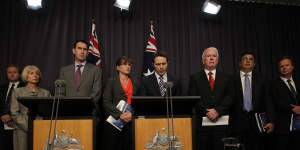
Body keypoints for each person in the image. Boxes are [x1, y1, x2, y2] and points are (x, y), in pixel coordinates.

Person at [188, 47, 232, 150]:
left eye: (214, 56)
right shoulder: (195, 77)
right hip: (203, 124)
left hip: (222, 125)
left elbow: (230, 97)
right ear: (203, 60)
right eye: (208, 56)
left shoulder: (227, 77)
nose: (211, 58)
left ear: (217, 60)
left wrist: (217, 110)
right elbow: (193, 98)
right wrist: (207, 111)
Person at [229, 52, 275, 150]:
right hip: (237, 122)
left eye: (251, 59)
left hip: (257, 122)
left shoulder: (262, 80)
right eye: (245, 59)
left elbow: (268, 101)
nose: (248, 61)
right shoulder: (231, 80)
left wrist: (271, 121)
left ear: (254, 64)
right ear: (240, 63)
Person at [102, 56, 141, 150]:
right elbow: (106, 101)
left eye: (129, 64)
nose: (128, 67)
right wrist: (120, 114)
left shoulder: (136, 82)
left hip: (130, 122)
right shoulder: (111, 81)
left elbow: (139, 102)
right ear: (118, 67)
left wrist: (132, 114)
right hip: (114, 121)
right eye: (124, 64)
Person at [10, 65, 51, 150]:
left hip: (41, 129)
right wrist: (29, 126)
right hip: (22, 130)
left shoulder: (46, 93)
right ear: (26, 76)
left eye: (37, 74)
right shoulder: (17, 91)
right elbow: (14, 113)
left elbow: (49, 113)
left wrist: (39, 126)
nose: (35, 75)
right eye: (31, 73)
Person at [271, 56, 300, 150]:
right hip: (283, 127)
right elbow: (275, 101)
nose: (284, 68)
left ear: (292, 67)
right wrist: (292, 108)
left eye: (287, 65)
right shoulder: (273, 84)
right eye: (281, 66)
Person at [0, 65, 25, 150]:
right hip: (2, 124)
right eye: (9, 72)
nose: (12, 74)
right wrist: (2, 116)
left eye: (14, 72)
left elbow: (24, 107)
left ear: (19, 74)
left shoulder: (24, 87)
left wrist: (11, 118)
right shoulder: (1, 88)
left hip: (17, 124)